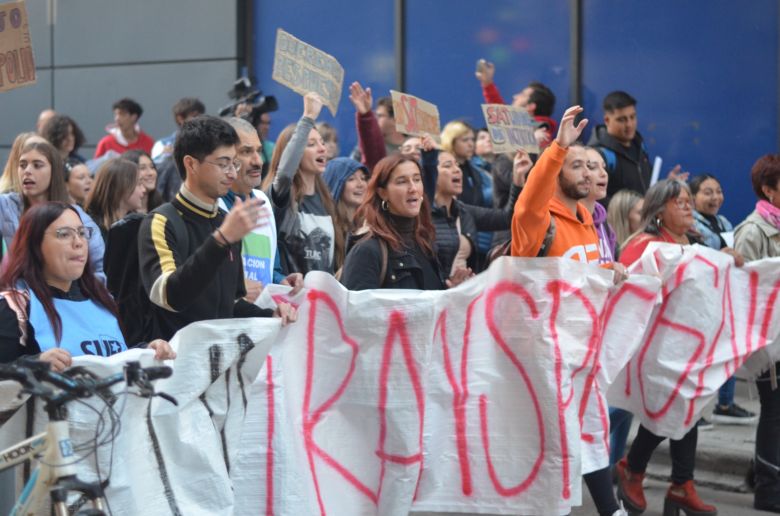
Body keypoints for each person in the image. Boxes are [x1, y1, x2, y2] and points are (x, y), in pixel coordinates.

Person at [138, 115, 295, 340]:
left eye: (234, 163)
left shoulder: (224, 221)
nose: (231, 172)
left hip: (221, 363)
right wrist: (220, 240)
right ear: (191, 164)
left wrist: (270, 314)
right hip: (178, 364)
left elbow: (229, 306)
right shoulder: (161, 221)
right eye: (223, 164)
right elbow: (170, 296)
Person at [616, 179, 719, 516]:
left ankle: (679, 484)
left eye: (689, 200)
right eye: (679, 201)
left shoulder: (693, 243)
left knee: (686, 411)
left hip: (688, 348)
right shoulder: (643, 245)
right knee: (672, 410)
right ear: (659, 210)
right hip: (654, 349)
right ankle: (636, 467)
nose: (688, 206)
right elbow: (628, 291)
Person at [0, 203, 174, 370]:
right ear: (34, 243)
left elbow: (116, 359)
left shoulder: (103, 301)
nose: (79, 242)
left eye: (82, 233)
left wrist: (145, 351)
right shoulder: (14, 307)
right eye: (64, 234)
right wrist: (33, 365)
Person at [340, 154, 471, 291]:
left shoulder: (425, 243)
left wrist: (450, 291)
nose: (413, 188)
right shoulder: (367, 251)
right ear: (383, 193)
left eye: (417, 179)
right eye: (402, 181)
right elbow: (356, 310)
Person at [689, 173, 757, 425]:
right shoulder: (690, 226)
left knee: (729, 350)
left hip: (726, 296)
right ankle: (692, 413)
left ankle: (725, 403)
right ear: (693, 197)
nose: (715, 197)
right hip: (702, 301)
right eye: (707, 192)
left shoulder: (724, 222)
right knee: (699, 359)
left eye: (718, 191)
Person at [734, 154, 780, 513]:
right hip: (769, 344)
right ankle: (767, 490)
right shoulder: (752, 231)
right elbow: (745, 290)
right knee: (774, 411)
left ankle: (762, 474)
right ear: (769, 189)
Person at [262, 93, 343, 276]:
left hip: (322, 301)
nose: (322, 149)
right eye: (311, 144)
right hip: (290, 298)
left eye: (322, 143)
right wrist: (307, 118)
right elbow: (284, 175)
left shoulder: (327, 200)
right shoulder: (283, 196)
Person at [420, 136, 525, 276]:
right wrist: (429, 157)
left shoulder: (464, 212)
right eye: (447, 166)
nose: (457, 170)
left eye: (456, 165)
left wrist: (518, 179)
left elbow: (507, 217)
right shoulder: (420, 213)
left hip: (463, 294)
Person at [0, 141, 105, 279]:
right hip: (19, 294)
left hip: (63, 295)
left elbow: (97, 269)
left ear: (54, 171)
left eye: (37, 165)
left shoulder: (77, 216)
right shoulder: (6, 205)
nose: (27, 171)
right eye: (22, 165)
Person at [219, 117, 281, 301]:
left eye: (259, 151)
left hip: (262, 324)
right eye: (246, 151)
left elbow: (272, 269)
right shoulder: (214, 206)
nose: (258, 161)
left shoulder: (263, 201)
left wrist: (283, 281)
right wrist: (237, 289)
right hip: (228, 325)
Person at [440, 121, 494, 270]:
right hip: (451, 242)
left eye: (472, 139)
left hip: (477, 241)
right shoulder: (442, 172)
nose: (471, 144)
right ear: (451, 141)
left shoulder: (476, 172)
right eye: (465, 140)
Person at [587, 91, 653, 203]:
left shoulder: (640, 146)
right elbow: (593, 197)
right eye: (622, 119)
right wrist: (626, 212)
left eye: (632, 117)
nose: (629, 124)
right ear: (607, 120)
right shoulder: (599, 154)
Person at [475, 60, 558, 147]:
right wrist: (487, 82)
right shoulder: (517, 125)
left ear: (530, 107)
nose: (515, 96)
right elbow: (498, 109)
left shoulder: (542, 132)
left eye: (522, 95)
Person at [348, 82, 406, 170]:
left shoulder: (414, 144)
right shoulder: (366, 146)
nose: (375, 119)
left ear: (395, 120)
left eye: (380, 116)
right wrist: (365, 115)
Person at [85, 158, 146, 241]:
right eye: (139, 184)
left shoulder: (135, 223)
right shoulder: (91, 227)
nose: (144, 190)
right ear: (121, 187)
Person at [323, 157, 369, 264]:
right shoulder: (325, 228)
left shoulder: (370, 225)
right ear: (335, 184)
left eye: (363, 178)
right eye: (351, 179)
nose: (360, 184)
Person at [582, 148, 618, 263]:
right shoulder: (564, 222)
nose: (604, 173)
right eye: (593, 167)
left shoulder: (605, 225)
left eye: (604, 167)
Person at [151, 97, 206, 163]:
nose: (200, 119)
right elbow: (155, 168)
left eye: (201, 116)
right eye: (194, 116)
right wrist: (165, 156)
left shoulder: (209, 142)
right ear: (180, 119)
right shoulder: (162, 145)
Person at [607, 189, 644, 255]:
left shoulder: (646, 247)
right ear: (623, 216)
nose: (647, 218)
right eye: (641, 213)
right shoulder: (606, 248)